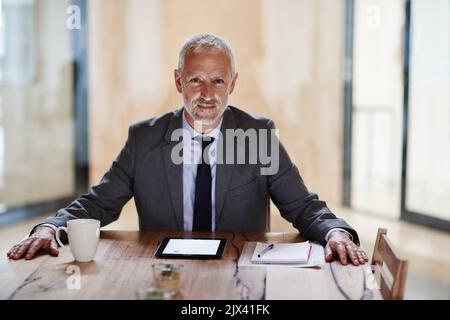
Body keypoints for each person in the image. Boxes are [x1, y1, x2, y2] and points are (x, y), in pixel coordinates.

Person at [7, 33, 368, 266]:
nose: (207, 94)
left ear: (234, 84)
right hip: (165, 274)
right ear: (178, 79)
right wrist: (49, 228)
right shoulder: (143, 139)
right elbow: (97, 204)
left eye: (218, 81)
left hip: (237, 275)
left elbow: (303, 207)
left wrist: (335, 232)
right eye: (195, 79)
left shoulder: (258, 135)